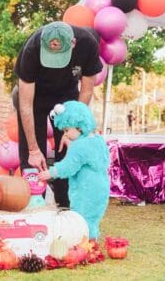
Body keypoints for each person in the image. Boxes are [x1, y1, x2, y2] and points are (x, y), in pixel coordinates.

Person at [13, 21, 103, 208]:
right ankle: (34, 203)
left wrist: (73, 129)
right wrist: (33, 150)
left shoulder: (88, 43)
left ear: (73, 43)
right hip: (34, 97)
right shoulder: (32, 48)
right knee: (32, 156)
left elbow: (86, 90)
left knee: (67, 149)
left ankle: (66, 204)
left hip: (66, 97)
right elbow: (25, 103)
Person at [38, 101, 110, 239]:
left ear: (78, 125)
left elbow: (69, 166)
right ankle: (92, 238)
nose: (65, 134)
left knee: (81, 216)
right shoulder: (97, 139)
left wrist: (50, 172)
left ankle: (84, 242)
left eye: (66, 130)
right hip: (101, 185)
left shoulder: (79, 146)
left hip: (85, 189)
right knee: (93, 216)